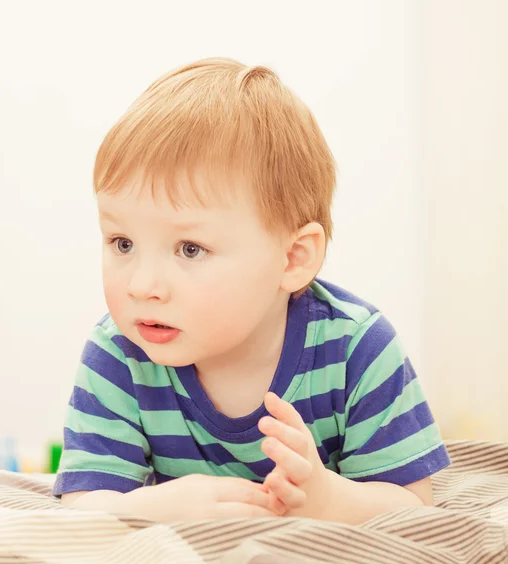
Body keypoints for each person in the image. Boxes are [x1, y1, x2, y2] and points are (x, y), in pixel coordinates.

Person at [53, 57, 450, 523]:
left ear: (293, 258)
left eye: (190, 249)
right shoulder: (119, 353)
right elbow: (83, 505)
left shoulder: (357, 348)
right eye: (123, 243)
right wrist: (152, 508)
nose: (143, 286)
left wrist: (328, 499)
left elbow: (416, 507)